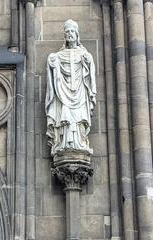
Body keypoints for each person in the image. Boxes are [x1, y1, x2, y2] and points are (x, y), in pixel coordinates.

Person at [45, 19, 96, 156]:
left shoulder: (84, 54)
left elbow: (89, 73)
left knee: (78, 119)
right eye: (67, 32)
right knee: (65, 117)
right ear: (64, 36)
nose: (70, 34)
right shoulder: (59, 55)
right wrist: (53, 60)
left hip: (80, 94)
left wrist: (88, 60)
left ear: (77, 35)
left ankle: (80, 143)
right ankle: (63, 143)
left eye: (72, 31)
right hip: (64, 94)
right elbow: (54, 66)